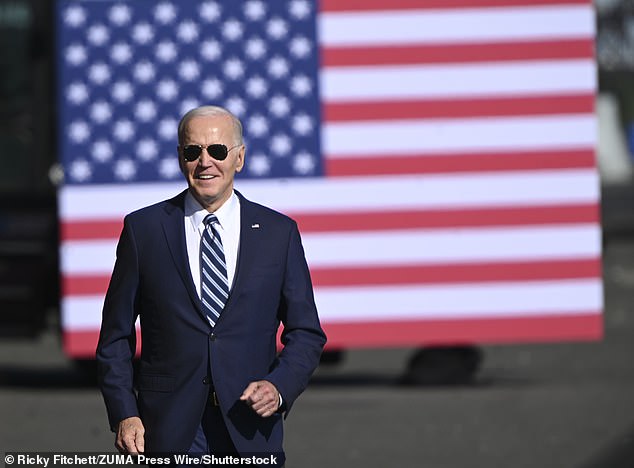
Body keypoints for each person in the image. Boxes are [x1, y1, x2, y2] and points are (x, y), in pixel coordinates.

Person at [96, 105, 326, 464]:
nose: (205, 162)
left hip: (250, 428)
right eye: (193, 151)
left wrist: (279, 387)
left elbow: (307, 332)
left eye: (217, 151)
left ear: (239, 158)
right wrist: (125, 413)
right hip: (168, 429)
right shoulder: (144, 231)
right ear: (180, 158)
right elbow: (114, 337)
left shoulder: (278, 234)